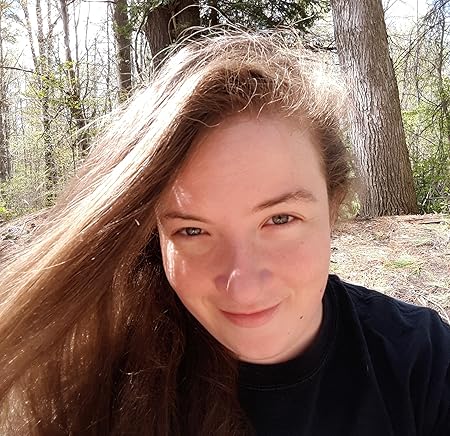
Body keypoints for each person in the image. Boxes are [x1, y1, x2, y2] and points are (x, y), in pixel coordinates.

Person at [0, 31, 448, 436]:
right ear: (154, 236)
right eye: (193, 230)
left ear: (332, 206)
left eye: (280, 219)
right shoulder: (90, 385)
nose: (243, 286)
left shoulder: (422, 363)